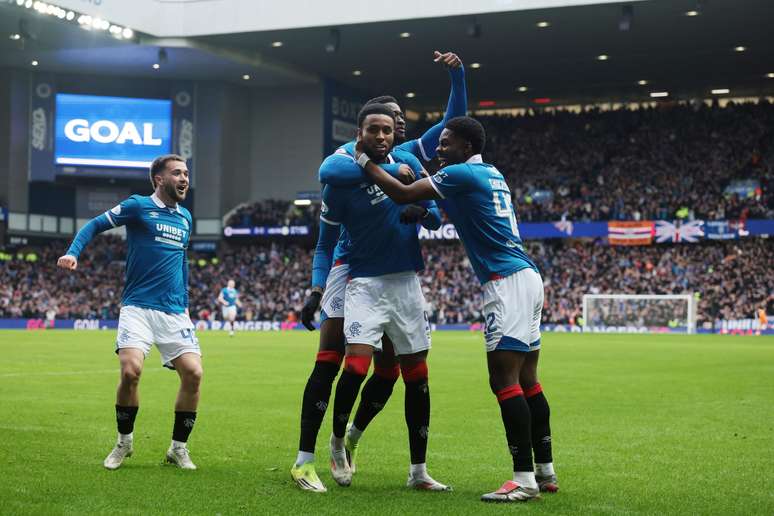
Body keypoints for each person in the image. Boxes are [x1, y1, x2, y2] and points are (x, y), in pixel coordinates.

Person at [356, 116, 557, 502]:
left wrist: (364, 161)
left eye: (446, 143)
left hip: (505, 281)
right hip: (528, 277)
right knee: (529, 379)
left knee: (504, 380)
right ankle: (545, 470)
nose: (438, 149)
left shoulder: (461, 173)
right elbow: (450, 207)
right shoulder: (491, 173)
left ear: (467, 147)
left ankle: (523, 479)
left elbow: (403, 193)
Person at [292, 51, 467, 492]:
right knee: (334, 361)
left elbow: (452, 132)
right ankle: (306, 459)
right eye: (386, 121)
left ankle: (363, 443)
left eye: (396, 123)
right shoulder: (347, 166)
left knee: (392, 372)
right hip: (353, 270)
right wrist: (315, 289)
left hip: (402, 276)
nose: (394, 127)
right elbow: (328, 173)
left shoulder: (411, 155)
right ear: (363, 130)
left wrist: (457, 77)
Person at [57, 154, 202, 471]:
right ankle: (124, 442)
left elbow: (182, 261)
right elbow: (95, 225)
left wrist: (186, 302)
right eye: (177, 173)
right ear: (159, 179)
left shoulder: (186, 218)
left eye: (186, 173)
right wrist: (72, 252)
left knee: (193, 374)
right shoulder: (138, 206)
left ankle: (178, 449)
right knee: (130, 371)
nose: (184, 179)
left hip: (175, 311)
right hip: (137, 307)